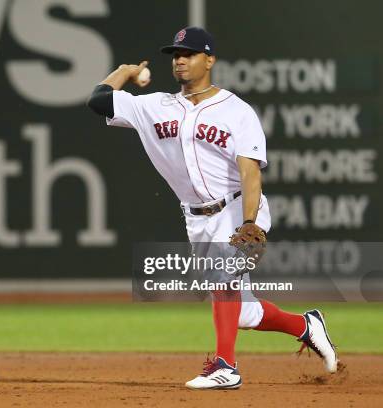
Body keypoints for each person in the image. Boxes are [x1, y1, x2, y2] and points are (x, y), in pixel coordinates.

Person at [86, 26, 338, 389]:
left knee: (223, 279)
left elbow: (250, 174)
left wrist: (251, 223)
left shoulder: (237, 111)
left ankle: (225, 366)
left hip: (237, 210)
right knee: (243, 312)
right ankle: (307, 325)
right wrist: (125, 71)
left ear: (210, 59)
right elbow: (98, 100)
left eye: (189, 53)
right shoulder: (153, 106)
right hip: (196, 218)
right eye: (176, 54)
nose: (181, 60)